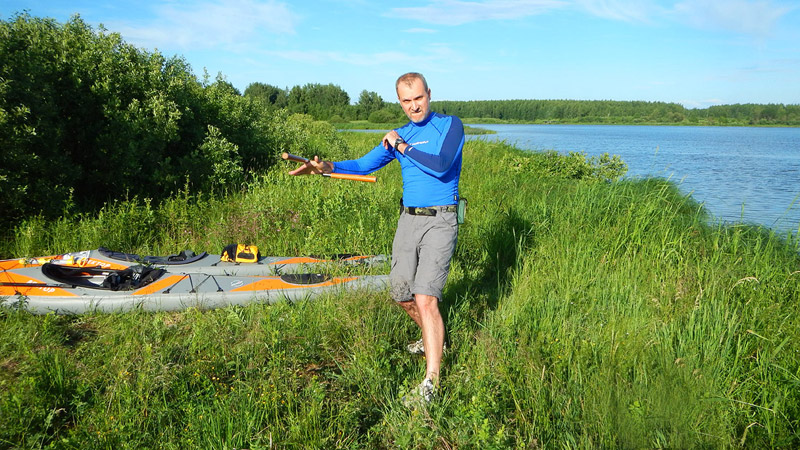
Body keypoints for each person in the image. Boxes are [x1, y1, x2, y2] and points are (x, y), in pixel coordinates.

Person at [288, 72, 464, 405]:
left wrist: (401, 144)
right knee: (401, 293)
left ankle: (431, 382)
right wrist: (327, 166)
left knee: (426, 298)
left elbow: (441, 166)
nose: (414, 106)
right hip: (408, 220)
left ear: (429, 94)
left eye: (419, 98)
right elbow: (362, 165)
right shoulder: (400, 134)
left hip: (441, 219)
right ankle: (435, 339)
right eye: (406, 101)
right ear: (400, 102)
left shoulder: (449, 126)